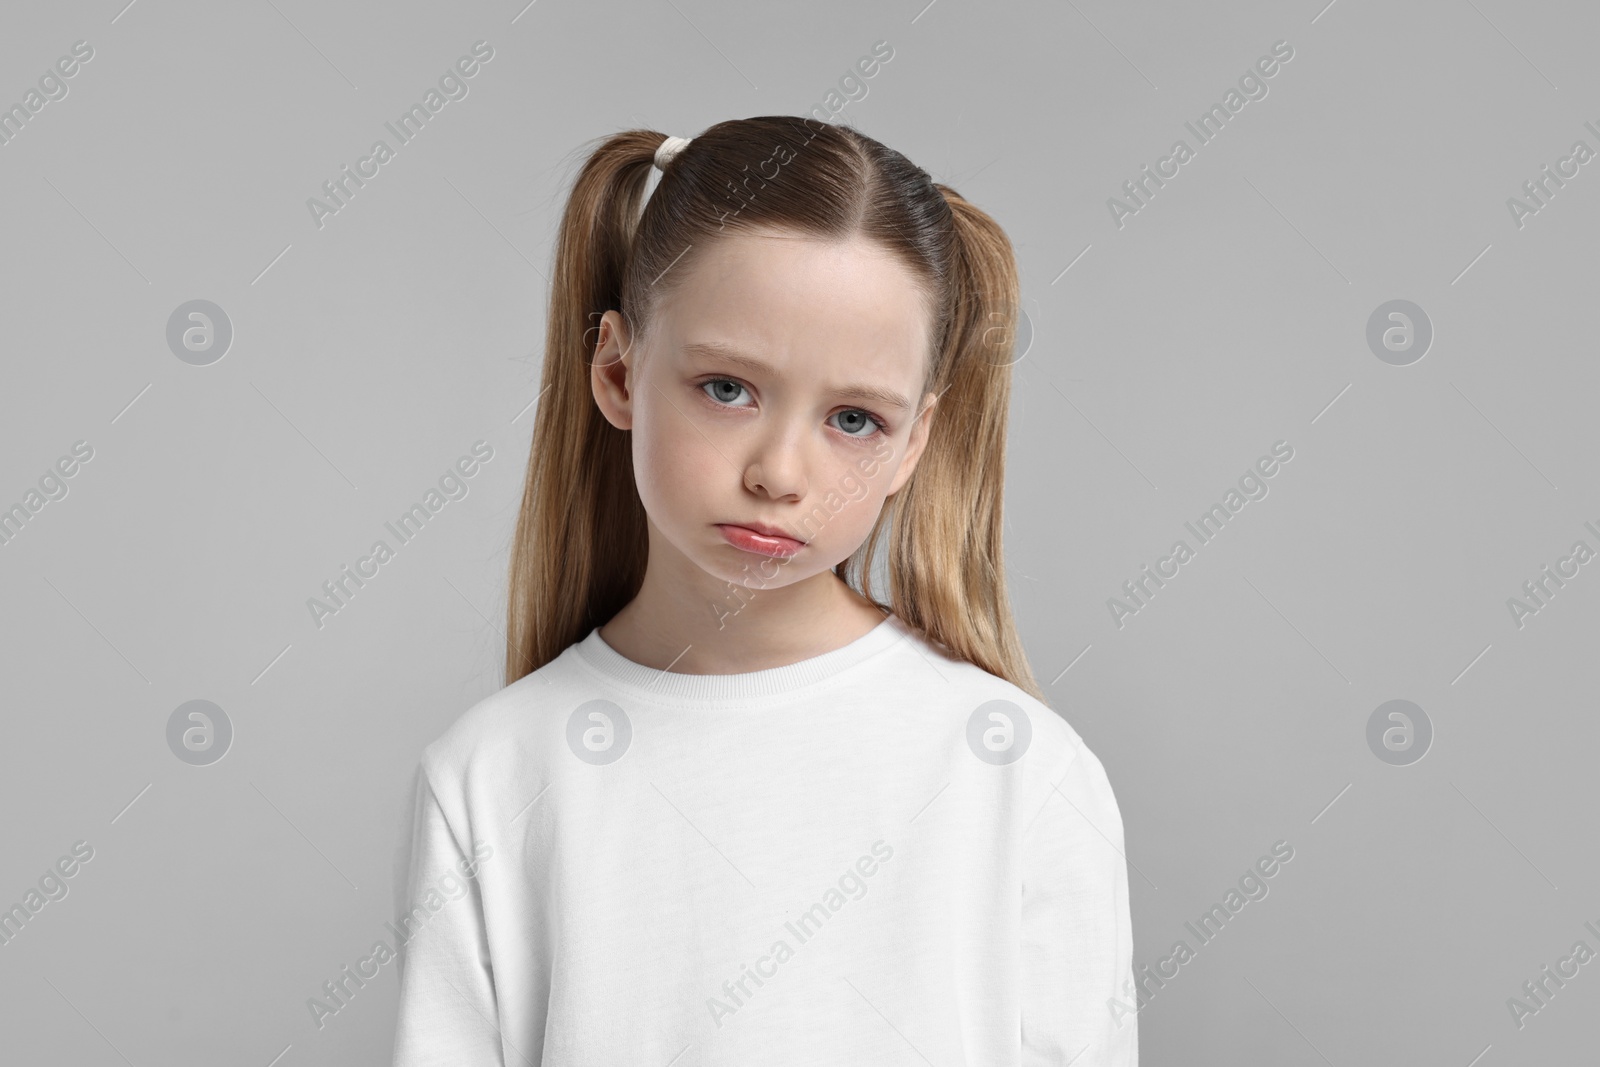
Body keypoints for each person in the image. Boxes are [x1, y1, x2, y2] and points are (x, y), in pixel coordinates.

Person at [390, 115, 1136, 1066]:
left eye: (855, 418)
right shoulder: (490, 778)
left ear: (915, 442)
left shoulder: (1020, 772)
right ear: (618, 371)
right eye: (728, 389)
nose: (781, 472)